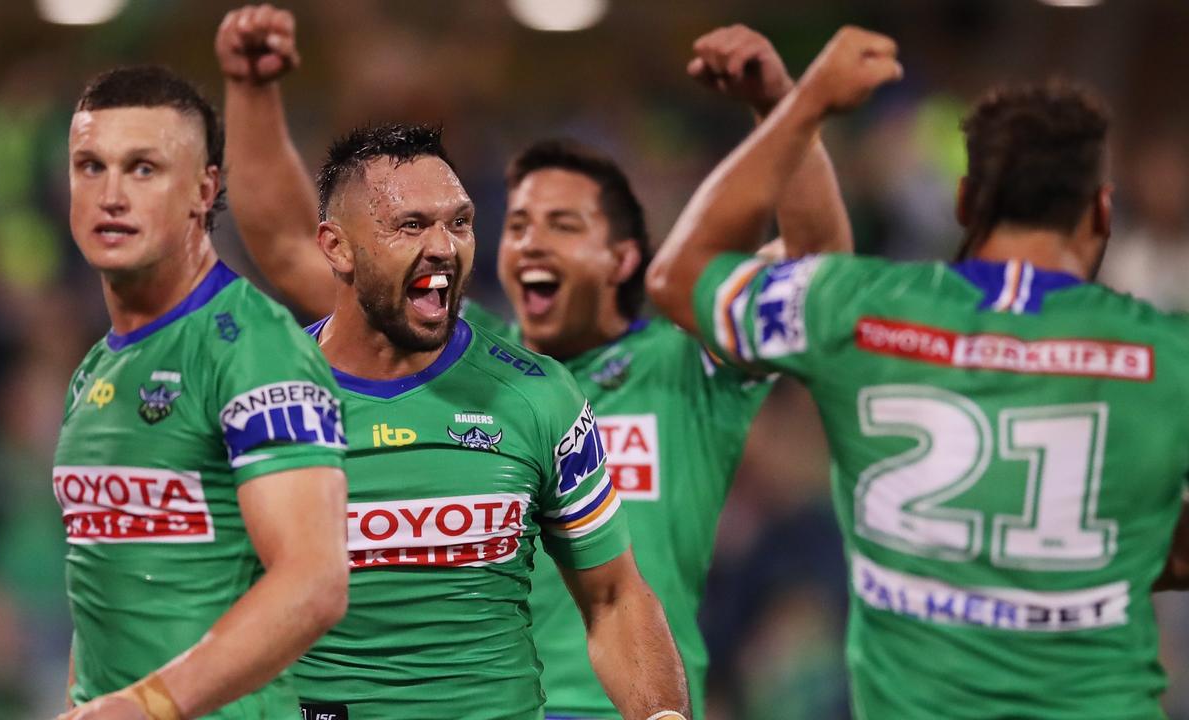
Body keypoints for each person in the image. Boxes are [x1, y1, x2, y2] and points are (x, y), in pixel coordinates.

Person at [216, 7, 851, 718]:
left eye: (562, 225)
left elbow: (815, 273)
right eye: (517, 224)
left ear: (624, 260)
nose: (529, 243)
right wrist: (250, 88)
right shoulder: (449, 344)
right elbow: (289, 245)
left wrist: (785, 109)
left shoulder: (680, 362)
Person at [648, 24, 1189, 719]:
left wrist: (801, 104)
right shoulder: (1166, 356)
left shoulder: (862, 313)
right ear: (1103, 214)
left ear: (964, 202)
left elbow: (679, 275)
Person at [54, 66, 349, 720]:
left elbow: (316, 581)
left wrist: (150, 705)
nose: (110, 195)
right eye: (90, 167)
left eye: (143, 169)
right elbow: (104, 587)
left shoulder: (254, 347)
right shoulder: (94, 370)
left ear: (203, 188)